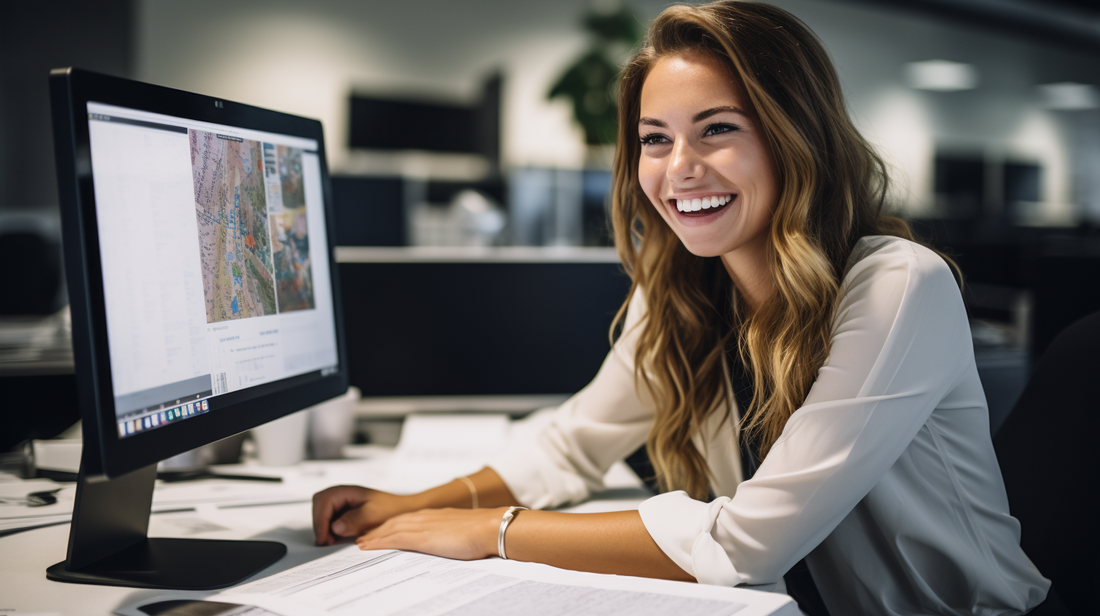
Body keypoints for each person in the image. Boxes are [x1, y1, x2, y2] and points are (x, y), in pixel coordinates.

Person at [312, 2, 1050, 614]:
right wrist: (410, 504)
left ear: (798, 135)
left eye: (718, 129)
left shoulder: (897, 285)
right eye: (655, 140)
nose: (679, 169)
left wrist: (491, 531)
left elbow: (746, 543)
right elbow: (572, 443)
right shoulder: (687, 290)